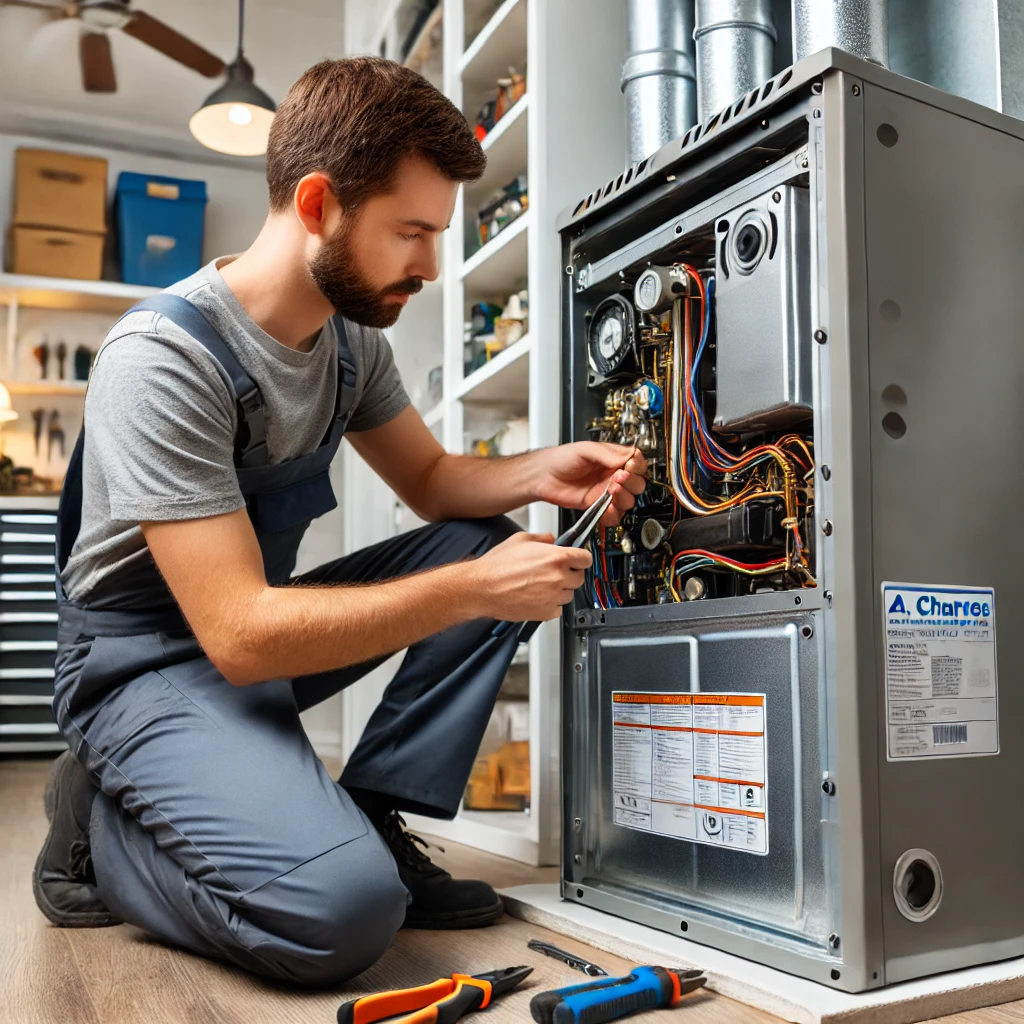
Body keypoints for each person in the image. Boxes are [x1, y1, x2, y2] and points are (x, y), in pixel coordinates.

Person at [33, 57, 646, 986]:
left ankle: (369, 812)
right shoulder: (160, 360)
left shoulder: (350, 341)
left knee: (483, 541)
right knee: (341, 917)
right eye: (411, 233)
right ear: (318, 204)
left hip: (243, 633)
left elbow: (433, 482)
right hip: (139, 667)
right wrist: (473, 592)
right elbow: (240, 635)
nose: (429, 267)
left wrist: (542, 472)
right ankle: (106, 833)